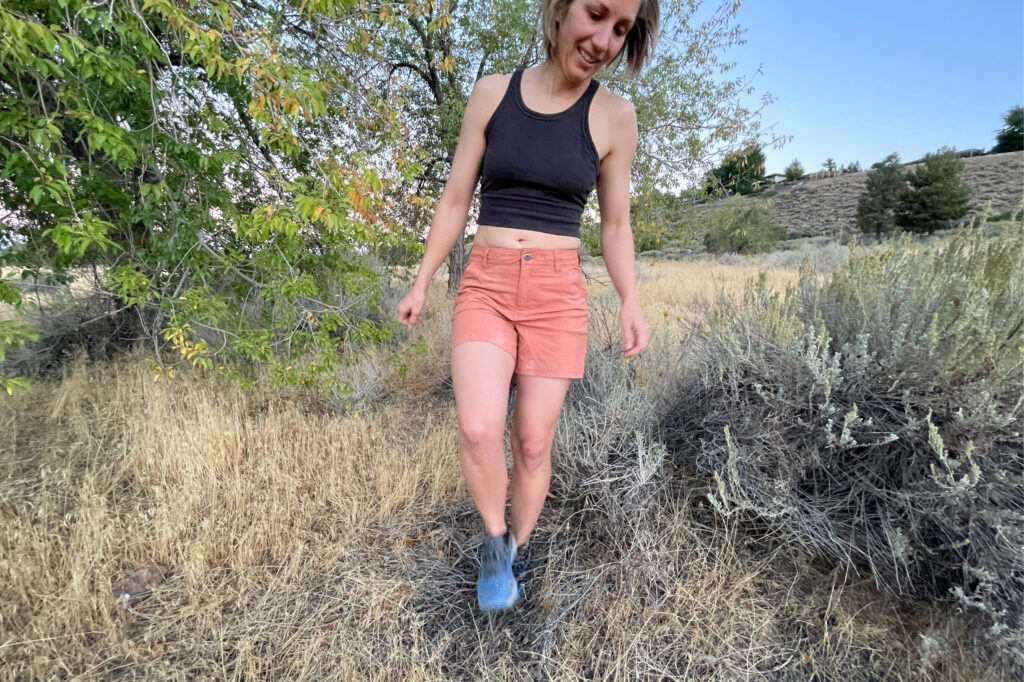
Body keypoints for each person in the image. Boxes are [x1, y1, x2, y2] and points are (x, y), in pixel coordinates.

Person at [397, 0, 658, 612]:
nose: (603, 39)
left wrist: (630, 298)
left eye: (620, 29)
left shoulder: (616, 117)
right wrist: (421, 280)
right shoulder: (492, 94)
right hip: (486, 282)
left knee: (533, 443)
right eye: (596, 15)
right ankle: (493, 540)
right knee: (478, 425)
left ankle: (518, 546)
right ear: (562, 9)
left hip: (557, 292)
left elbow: (615, 226)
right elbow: (456, 198)